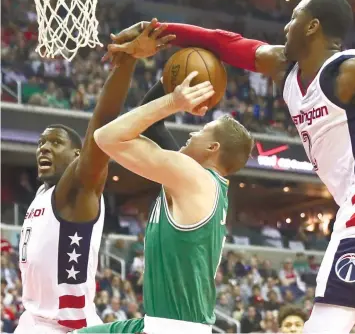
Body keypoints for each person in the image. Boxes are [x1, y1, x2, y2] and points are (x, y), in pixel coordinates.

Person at [107, 0, 355, 333]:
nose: (286, 26)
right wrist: (156, 30)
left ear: (312, 26)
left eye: (294, 18)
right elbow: (225, 43)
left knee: (323, 325)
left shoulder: (351, 71)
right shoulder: (283, 69)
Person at [74, 40, 254, 333]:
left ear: (212, 147)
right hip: (159, 323)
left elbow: (106, 137)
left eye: (201, 131)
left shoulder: (192, 177)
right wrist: (172, 79)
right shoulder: (197, 179)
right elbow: (153, 126)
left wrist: (175, 102)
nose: (192, 132)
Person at [14, 20, 174, 334]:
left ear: (78, 156)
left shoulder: (76, 189)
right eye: (41, 143)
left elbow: (101, 128)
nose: (44, 148)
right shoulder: (43, 194)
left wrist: (126, 63)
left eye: (56, 143)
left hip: (67, 328)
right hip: (32, 321)